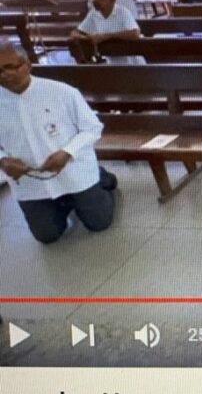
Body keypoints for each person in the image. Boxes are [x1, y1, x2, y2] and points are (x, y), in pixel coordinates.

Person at [0, 40, 118, 244]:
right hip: (30, 179)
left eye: (10, 67)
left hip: (73, 170)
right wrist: (3, 160)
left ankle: (100, 178)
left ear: (28, 65)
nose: (4, 74)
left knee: (99, 223)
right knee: (47, 235)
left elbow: (93, 128)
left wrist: (67, 152)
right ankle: (64, 203)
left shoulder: (61, 92)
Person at [69, 0, 144, 65]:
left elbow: (135, 33)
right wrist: (87, 38)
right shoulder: (94, 14)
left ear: (112, 0)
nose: (94, 1)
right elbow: (76, 32)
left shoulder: (122, 12)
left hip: (132, 61)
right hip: (111, 62)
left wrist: (107, 36)